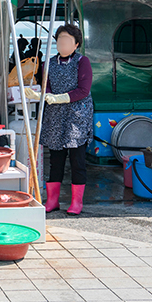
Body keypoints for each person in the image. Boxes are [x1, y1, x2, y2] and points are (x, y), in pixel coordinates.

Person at [37, 24, 93, 215]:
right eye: (60, 40)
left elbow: (84, 90)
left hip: (77, 116)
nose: (63, 43)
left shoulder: (82, 62)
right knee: (56, 160)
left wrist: (62, 98)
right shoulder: (48, 63)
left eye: (67, 40)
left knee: (77, 160)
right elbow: (46, 86)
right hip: (55, 116)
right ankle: (52, 201)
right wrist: (45, 95)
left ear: (76, 44)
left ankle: (77, 202)